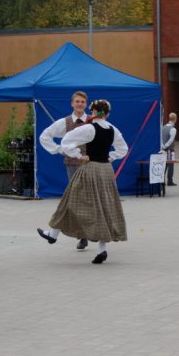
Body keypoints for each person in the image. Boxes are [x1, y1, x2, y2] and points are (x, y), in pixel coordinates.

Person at [37, 99, 129, 264]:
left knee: (70, 200)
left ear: (93, 112)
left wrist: (79, 155)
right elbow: (123, 149)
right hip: (106, 171)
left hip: (90, 169)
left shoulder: (89, 128)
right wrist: (111, 157)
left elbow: (66, 142)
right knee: (104, 206)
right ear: (107, 114)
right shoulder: (112, 129)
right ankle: (101, 249)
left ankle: (53, 234)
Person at [39, 91, 90, 250]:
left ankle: (58, 234)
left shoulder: (92, 121)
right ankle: (82, 236)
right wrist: (59, 149)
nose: (80, 104)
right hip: (73, 165)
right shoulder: (64, 122)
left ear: (86, 104)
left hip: (90, 165)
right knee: (75, 199)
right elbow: (45, 136)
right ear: (72, 103)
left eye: (82, 101)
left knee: (83, 200)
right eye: (77, 101)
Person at [161, 112, 178, 187]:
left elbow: (161, 138)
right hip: (170, 149)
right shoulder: (173, 129)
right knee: (171, 164)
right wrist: (165, 146)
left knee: (164, 164)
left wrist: (162, 146)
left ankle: (162, 180)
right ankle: (170, 181)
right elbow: (171, 140)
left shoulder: (163, 127)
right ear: (175, 119)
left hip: (163, 149)